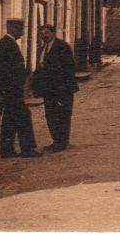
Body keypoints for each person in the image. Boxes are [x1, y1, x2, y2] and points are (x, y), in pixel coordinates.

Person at [0, 19, 42, 158]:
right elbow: (1, 70)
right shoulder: (6, 44)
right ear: (11, 28)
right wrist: (3, 91)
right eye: (20, 28)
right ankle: (27, 149)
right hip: (10, 90)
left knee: (10, 120)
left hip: (10, 90)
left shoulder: (8, 43)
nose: (22, 32)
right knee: (23, 117)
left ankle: (7, 150)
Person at [33, 24, 79, 152]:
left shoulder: (62, 47)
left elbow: (69, 68)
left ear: (53, 33)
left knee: (62, 115)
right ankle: (56, 141)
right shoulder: (43, 48)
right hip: (49, 89)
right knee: (50, 115)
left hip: (62, 88)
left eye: (46, 33)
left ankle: (62, 142)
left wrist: (62, 86)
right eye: (41, 34)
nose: (44, 36)